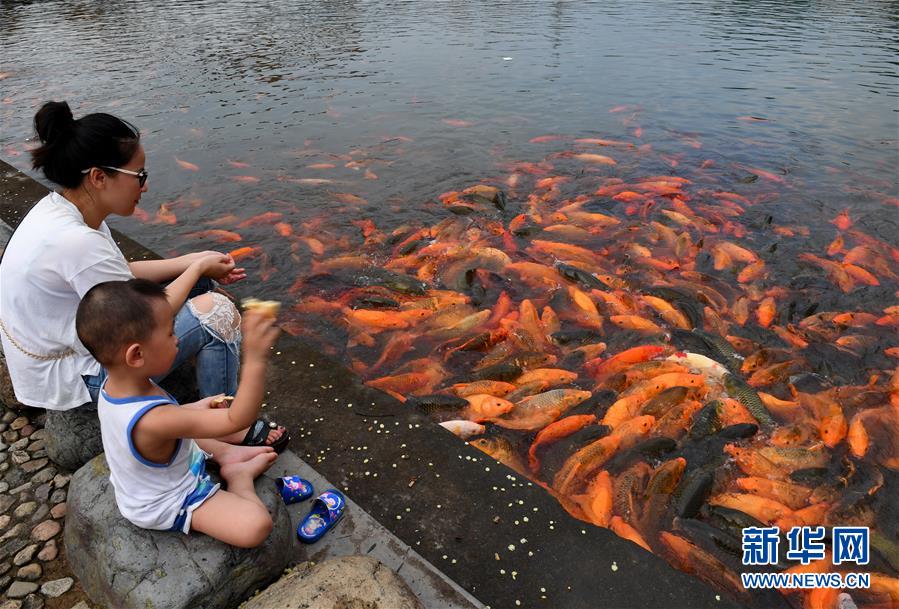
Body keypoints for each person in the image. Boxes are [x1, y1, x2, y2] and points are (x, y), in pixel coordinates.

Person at [0, 100, 286, 455]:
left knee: (193, 284)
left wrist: (191, 261)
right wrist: (196, 267)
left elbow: (121, 275)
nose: (145, 187)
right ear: (99, 177)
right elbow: (140, 316)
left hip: (68, 344)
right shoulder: (77, 242)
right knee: (218, 313)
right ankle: (221, 429)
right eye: (140, 176)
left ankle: (201, 392)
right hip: (77, 378)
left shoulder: (64, 209)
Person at [77, 279, 279, 547]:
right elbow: (236, 420)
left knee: (190, 426)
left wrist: (195, 408)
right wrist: (255, 359)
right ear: (136, 355)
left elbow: (169, 419)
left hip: (149, 475)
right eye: (171, 333)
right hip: (167, 500)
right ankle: (238, 477)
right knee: (256, 526)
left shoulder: (113, 384)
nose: (177, 340)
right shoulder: (156, 421)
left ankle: (228, 455)